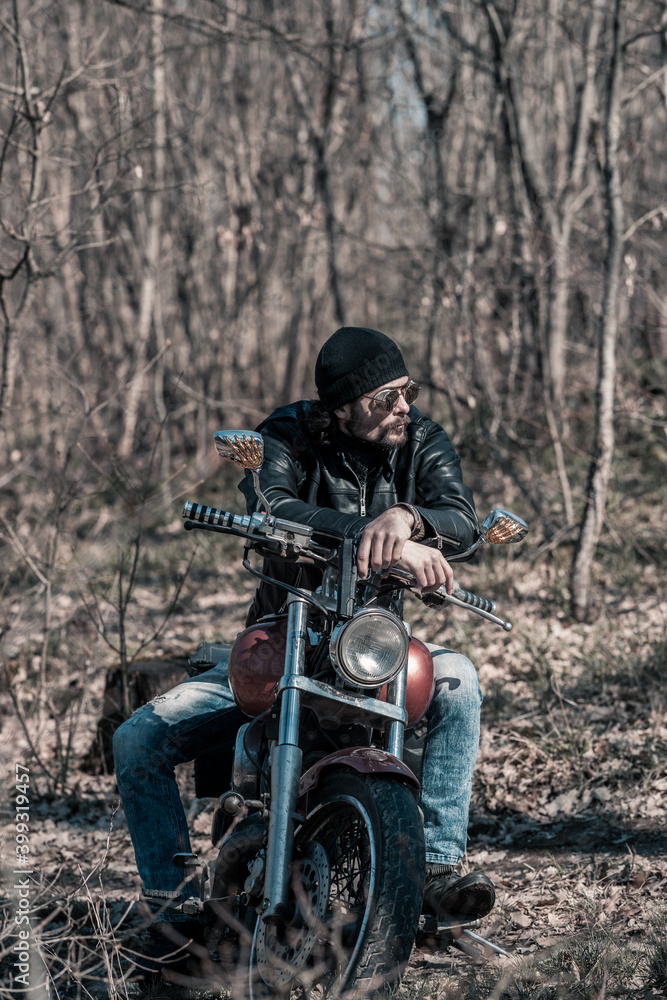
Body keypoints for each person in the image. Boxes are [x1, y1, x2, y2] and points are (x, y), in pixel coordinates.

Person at [113, 326, 494, 979]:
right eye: (384, 398)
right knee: (137, 741)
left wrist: (405, 519)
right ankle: (173, 918)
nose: (402, 407)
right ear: (342, 407)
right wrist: (374, 536)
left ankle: (432, 870)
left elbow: (458, 516)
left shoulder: (421, 439)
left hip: (372, 643)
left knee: (458, 680)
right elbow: (272, 501)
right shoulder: (284, 435)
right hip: (286, 637)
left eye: (406, 392)